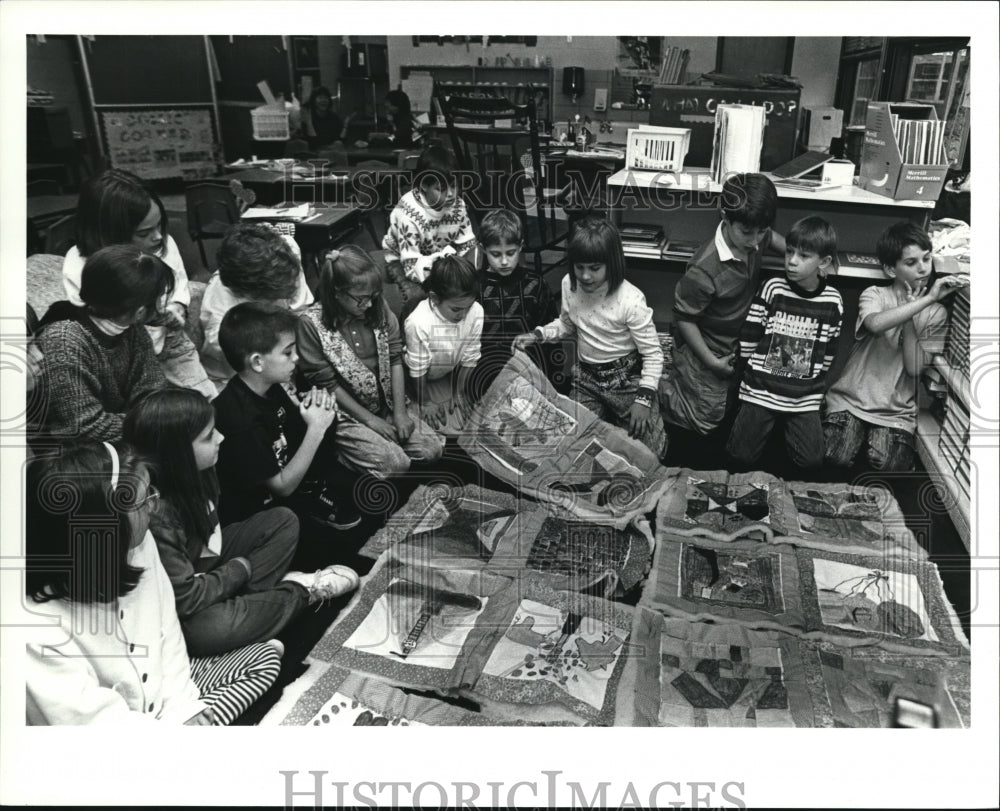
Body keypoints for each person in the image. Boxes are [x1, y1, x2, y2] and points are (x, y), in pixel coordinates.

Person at [24, 441, 281, 725]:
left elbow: (166, 630)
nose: (153, 506)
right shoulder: (33, 626)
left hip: (165, 702)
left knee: (264, 659)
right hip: (112, 746)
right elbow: (92, 727)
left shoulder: (139, 542)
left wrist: (184, 707)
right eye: (144, 499)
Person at [123, 387, 358, 656]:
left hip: (206, 569)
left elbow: (208, 543)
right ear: (177, 452)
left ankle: (254, 614)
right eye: (209, 436)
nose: (221, 438)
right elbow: (185, 600)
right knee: (208, 631)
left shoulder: (202, 470)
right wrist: (239, 569)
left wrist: (227, 575)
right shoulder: (157, 515)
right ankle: (300, 594)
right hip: (181, 601)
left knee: (282, 521)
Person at [513, 215, 667, 458]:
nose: (585, 276)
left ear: (612, 263)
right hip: (587, 377)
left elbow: (653, 354)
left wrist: (644, 399)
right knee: (570, 444)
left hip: (625, 379)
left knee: (651, 452)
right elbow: (567, 324)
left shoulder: (631, 300)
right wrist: (538, 334)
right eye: (579, 267)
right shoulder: (569, 284)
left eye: (595, 268)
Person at [823, 221, 968, 471]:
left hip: (896, 413)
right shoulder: (875, 294)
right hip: (851, 401)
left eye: (926, 258)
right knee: (835, 456)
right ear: (891, 270)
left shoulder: (937, 313)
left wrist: (916, 313)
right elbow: (876, 324)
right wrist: (927, 299)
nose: (923, 268)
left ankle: (870, 444)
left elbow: (914, 369)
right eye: (911, 263)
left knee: (891, 466)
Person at [61, 168, 214, 399]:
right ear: (109, 233)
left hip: (170, 345)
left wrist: (177, 307)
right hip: (124, 360)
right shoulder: (80, 266)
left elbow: (179, 283)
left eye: (159, 225)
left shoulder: (162, 244)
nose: (158, 237)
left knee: (207, 402)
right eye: (144, 232)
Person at [212, 302, 363, 532]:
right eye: (287, 352)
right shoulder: (238, 419)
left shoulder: (270, 386)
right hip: (260, 509)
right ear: (257, 362)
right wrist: (316, 428)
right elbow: (281, 487)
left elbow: (292, 429)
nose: (296, 358)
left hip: (286, 471)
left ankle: (313, 491)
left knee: (323, 414)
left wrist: (311, 405)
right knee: (319, 425)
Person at [296, 246, 445, 477]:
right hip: (345, 414)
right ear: (336, 292)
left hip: (384, 404)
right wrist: (370, 422)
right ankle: (340, 451)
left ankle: (379, 443)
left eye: (373, 297)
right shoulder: (310, 324)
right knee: (396, 465)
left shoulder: (376, 306)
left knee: (431, 451)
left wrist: (399, 413)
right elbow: (327, 383)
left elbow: (395, 357)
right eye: (361, 299)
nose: (368, 305)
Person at [660, 173, 785, 437]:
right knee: (703, 420)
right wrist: (711, 362)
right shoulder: (704, 269)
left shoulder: (756, 233)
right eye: (747, 232)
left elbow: (772, 238)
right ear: (725, 218)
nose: (754, 241)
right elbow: (685, 319)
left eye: (760, 232)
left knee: (726, 408)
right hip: (705, 348)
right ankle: (658, 391)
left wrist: (800, 254)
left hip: (734, 341)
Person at [726, 217, 845, 470]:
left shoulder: (833, 300)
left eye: (803, 256)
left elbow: (830, 348)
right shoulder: (773, 288)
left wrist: (816, 380)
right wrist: (747, 371)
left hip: (804, 395)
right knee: (740, 456)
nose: (791, 261)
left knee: (811, 460)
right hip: (761, 389)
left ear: (823, 263)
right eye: (789, 251)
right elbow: (751, 333)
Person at [34, 244, 170, 441]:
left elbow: (153, 390)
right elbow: (83, 426)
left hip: (122, 433)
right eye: (159, 298)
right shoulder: (63, 340)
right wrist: (151, 424)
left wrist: (155, 418)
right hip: (66, 453)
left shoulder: (132, 328)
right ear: (140, 311)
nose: (162, 306)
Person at [199, 222, 314, 392]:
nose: (284, 299)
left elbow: (301, 309)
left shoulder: (287, 251)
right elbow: (250, 375)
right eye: (274, 297)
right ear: (248, 294)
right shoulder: (220, 324)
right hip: (238, 379)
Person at [473, 208, 559, 393]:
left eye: (510, 253)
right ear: (482, 248)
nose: (504, 261)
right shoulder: (475, 287)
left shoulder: (535, 285)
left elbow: (551, 332)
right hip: (486, 374)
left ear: (520, 246)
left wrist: (553, 380)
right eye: (496, 254)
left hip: (530, 372)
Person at [403, 254, 483, 436]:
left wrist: (460, 392)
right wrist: (426, 402)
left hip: (445, 372)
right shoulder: (418, 323)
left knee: (468, 423)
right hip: (417, 378)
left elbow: (470, 357)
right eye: (456, 309)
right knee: (445, 427)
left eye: (468, 307)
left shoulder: (477, 311)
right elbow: (417, 369)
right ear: (435, 298)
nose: (463, 315)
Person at [382, 144, 476, 289]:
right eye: (441, 189)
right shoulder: (408, 214)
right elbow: (411, 264)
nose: (451, 194)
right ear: (424, 185)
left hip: (437, 258)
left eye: (454, 185)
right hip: (402, 260)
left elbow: (468, 246)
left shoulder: (458, 206)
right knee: (417, 295)